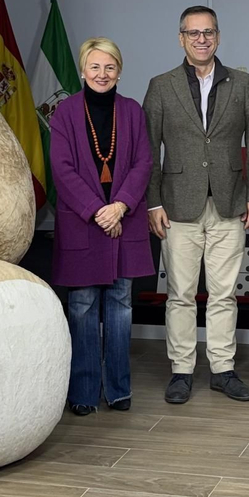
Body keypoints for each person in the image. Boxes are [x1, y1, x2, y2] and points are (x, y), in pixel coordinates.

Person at [144, 5, 249, 404]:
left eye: (208, 32)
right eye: (193, 33)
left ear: (218, 36)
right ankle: (181, 371)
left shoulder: (242, 83)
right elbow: (148, 149)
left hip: (230, 202)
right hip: (178, 205)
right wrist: (153, 202)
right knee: (180, 293)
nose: (201, 39)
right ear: (181, 38)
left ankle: (222, 369)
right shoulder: (161, 85)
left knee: (224, 294)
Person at [48, 38, 154, 416]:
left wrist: (120, 206)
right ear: (82, 70)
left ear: (119, 71)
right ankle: (84, 392)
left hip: (123, 221)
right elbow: (61, 169)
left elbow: (143, 162)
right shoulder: (64, 113)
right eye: (95, 67)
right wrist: (98, 210)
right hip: (84, 222)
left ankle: (119, 390)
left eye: (109, 67)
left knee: (121, 305)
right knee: (82, 306)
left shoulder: (132, 111)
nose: (102, 74)